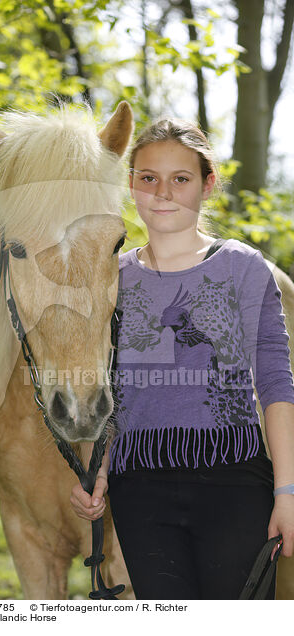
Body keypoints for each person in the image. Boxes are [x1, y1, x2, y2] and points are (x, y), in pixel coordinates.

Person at [70, 117, 294, 600]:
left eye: (181, 179)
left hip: (234, 482)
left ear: (207, 184)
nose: (163, 192)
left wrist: (287, 492)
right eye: (148, 178)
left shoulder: (242, 266)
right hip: (140, 491)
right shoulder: (113, 279)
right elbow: (111, 388)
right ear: (131, 185)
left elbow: (276, 381)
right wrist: (100, 472)